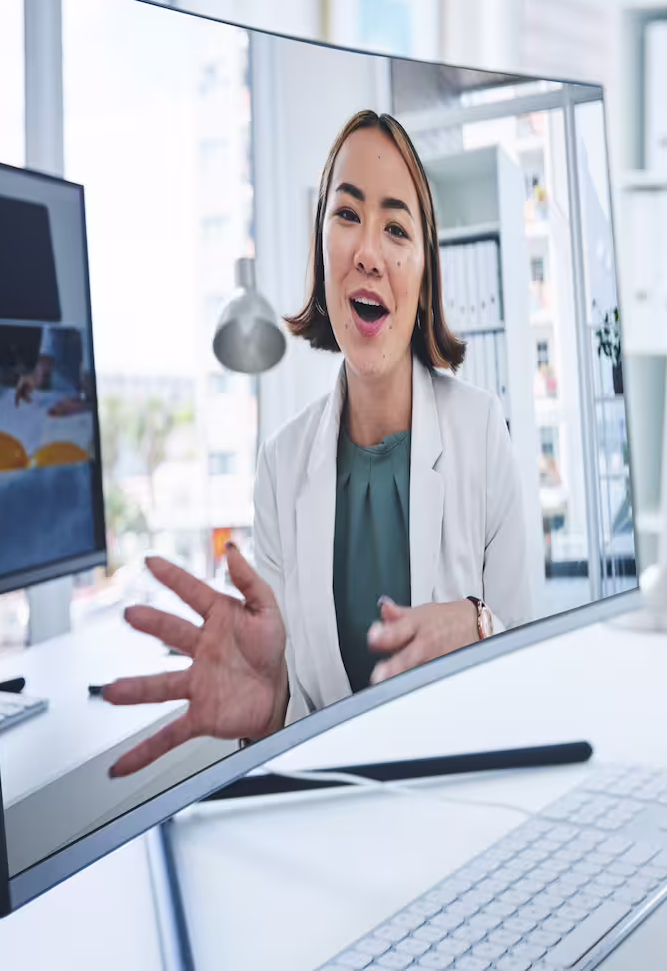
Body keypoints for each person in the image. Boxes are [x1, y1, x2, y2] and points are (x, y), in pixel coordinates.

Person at [103, 109, 532, 776]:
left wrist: (480, 626)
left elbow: (535, 674)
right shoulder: (281, 465)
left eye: (396, 227)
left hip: (468, 796)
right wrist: (267, 711)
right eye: (346, 215)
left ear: (423, 278)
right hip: (330, 817)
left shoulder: (481, 432)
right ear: (321, 252)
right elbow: (291, 712)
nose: (367, 251)